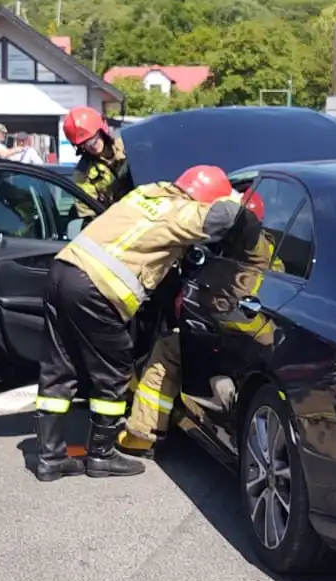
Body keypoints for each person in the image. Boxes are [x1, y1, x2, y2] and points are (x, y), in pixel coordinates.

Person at [32, 165, 243, 481]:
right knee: (114, 371)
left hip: (62, 270)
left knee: (59, 367)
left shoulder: (147, 193)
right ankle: (101, 456)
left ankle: (51, 459)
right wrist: (238, 199)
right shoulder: (183, 213)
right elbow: (223, 217)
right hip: (96, 288)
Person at [119, 190, 279, 457]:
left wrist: (230, 214)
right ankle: (156, 412)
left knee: (170, 348)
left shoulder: (255, 246)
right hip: (242, 330)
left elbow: (246, 233)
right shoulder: (254, 251)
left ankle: (142, 434)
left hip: (237, 332)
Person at [62, 106, 131, 215]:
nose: (92, 145)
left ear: (101, 131)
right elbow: (88, 212)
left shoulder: (126, 145)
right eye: (85, 143)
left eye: (93, 138)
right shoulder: (82, 175)